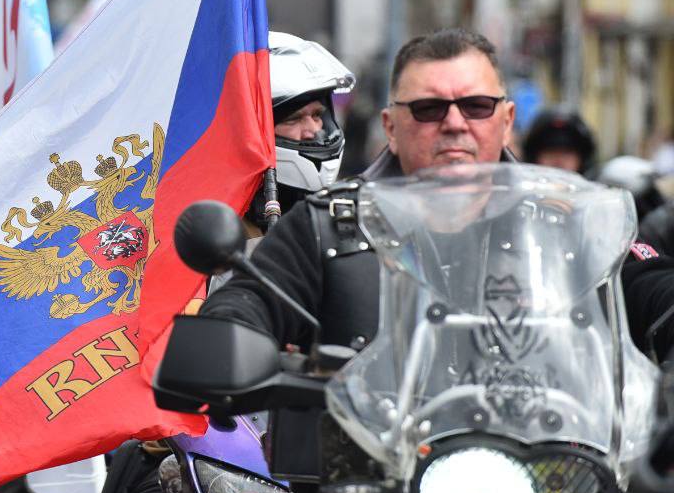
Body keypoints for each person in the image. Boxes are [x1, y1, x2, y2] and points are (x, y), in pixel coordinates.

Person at [198, 28, 674, 467]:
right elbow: (248, 301)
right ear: (390, 126)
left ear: (507, 121)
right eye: (428, 109)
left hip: (558, 488)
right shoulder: (328, 227)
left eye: (476, 106)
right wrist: (230, 340)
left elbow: (653, 288)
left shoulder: (569, 227)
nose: (453, 123)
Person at [74, 32, 355, 493]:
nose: (312, 131)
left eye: (318, 115)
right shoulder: (172, 231)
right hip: (204, 462)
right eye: (293, 118)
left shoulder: (355, 227)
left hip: (337, 465)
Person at [521, 106, 596, 174]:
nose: (558, 162)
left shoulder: (597, 188)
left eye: (566, 154)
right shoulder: (517, 188)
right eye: (550, 153)